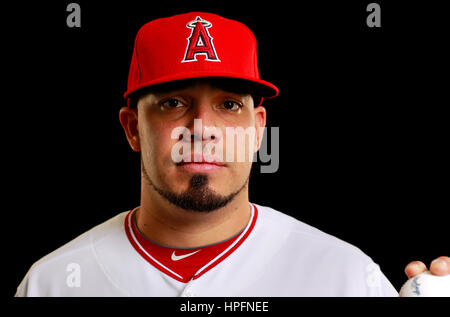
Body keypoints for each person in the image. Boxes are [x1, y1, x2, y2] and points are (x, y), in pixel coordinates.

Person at [15, 12, 449, 297]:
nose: (202, 129)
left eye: (228, 105)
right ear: (133, 128)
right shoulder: (52, 284)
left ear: (258, 128)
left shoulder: (348, 279)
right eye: (173, 102)